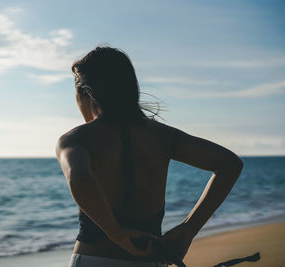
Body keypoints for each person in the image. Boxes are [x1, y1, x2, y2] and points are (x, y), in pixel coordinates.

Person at [55, 46, 243, 267]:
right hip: (149, 261)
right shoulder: (162, 135)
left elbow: (80, 180)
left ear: (84, 94)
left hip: (93, 259)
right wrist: (189, 229)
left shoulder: (76, 139)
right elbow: (229, 164)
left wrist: (118, 235)